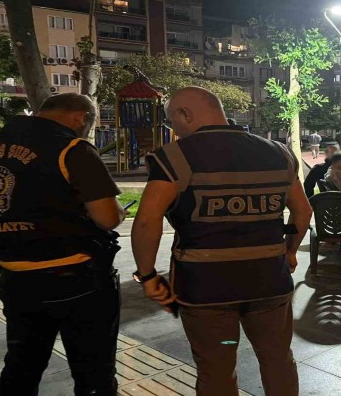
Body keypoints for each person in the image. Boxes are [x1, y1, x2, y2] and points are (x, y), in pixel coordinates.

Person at [131, 87, 312, 396]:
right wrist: (290, 251)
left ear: (185, 114)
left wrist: (147, 276)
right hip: (269, 279)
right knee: (278, 359)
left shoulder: (174, 156)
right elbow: (303, 210)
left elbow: (148, 221)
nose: (174, 129)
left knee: (216, 369)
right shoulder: (279, 152)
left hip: (205, 286)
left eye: (172, 120)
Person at [0, 93, 125, 395]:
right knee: (93, 371)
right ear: (80, 117)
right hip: (78, 277)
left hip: (16, 278)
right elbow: (107, 218)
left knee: (22, 364)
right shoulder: (73, 149)